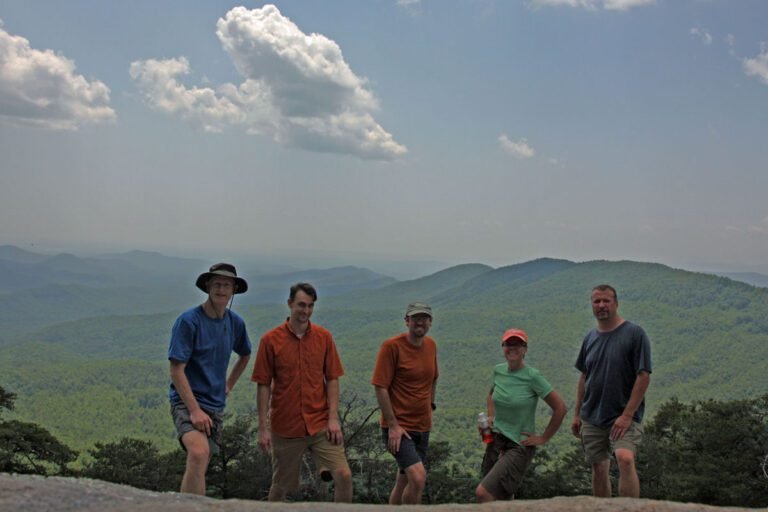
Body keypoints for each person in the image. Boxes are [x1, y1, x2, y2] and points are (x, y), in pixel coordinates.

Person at [252, 282, 352, 502]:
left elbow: (332, 378)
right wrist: (262, 428)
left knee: (344, 475)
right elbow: (263, 384)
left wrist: (333, 419)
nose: (306, 311)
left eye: (310, 306)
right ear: (289, 304)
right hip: (286, 427)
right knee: (280, 487)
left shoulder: (324, 337)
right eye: (301, 305)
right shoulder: (270, 340)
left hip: (320, 423)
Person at [168, 263, 252, 495]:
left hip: (215, 406)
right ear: (207, 286)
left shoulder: (235, 323)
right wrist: (194, 410)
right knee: (198, 453)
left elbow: (245, 354)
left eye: (226, 285)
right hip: (187, 401)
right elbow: (176, 370)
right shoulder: (189, 321)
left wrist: (228, 385)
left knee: (200, 461)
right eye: (216, 283)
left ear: (234, 290)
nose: (221, 289)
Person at [571, 284, 652, 498]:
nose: (601, 305)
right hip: (592, 415)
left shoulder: (635, 333)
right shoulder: (590, 338)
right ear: (591, 305)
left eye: (606, 301)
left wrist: (627, 415)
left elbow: (644, 376)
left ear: (616, 303)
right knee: (599, 467)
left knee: (625, 459)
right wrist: (577, 413)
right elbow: (583, 377)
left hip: (623, 415)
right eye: (596, 301)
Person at [476, 328, 567, 502]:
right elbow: (491, 394)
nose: (513, 348)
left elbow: (560, 408)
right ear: (503, 348)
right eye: (508, 344)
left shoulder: (532, 376)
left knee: (483, 493)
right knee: (502, 496)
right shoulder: (498, 370)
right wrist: (490, 418)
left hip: (519, 445)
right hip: (496, 440)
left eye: (518, 344)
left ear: (525, 349)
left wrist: (543, 438)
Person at [372, 302, 439, 505]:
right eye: (415, 318)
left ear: (430, 322)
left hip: (422, 426)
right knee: (418, 478)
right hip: (399, 429)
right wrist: (393, 425)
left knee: (403, 481)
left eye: (424, 318)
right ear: (407, 321)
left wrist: (431, 405)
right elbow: (380, 385)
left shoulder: (431, 345)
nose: (420, 322)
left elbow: (434, 377)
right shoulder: (392, 347)